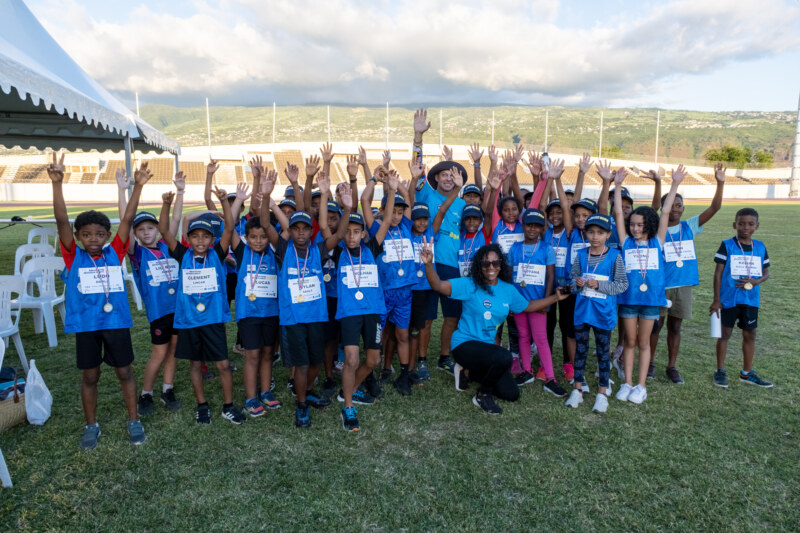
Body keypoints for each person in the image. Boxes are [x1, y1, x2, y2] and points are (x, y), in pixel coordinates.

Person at [48, 152, 148, 449]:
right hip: (86, 325)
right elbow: (61, 219)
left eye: (100, 234)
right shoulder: (72, 254)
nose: (94, 239)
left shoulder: (114, 252)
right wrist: (57, 184)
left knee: (125, 371)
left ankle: (134, 419)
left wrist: (138, 187)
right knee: (90, 376)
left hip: (115, 321)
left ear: (107, 236)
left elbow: (128, 219)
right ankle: (91, 425)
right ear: (78, 237)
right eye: (87, 234)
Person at [420, 241, 569, 414]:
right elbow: (438, 285)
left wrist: (556, 298)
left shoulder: (507, 289)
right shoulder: (470, 284)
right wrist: (429, 264)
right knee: (504, 356)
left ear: (501, 265)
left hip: (488, 351)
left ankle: (469, 373)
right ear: (479, 265)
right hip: (465, 344)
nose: (491, 267)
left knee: (511, 393)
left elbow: (527, 306)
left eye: (495, 262)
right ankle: (482, 395)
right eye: (485, 263)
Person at [159, 184, 246, 425]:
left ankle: (228, 406)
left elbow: (229, 228)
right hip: (188, 321)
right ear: (188, 239)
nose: (200, 240)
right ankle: (202, 405)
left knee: (224, 365)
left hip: (213, 320)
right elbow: (165, 232)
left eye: (205, 236)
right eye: (195, 236)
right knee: (195, 364)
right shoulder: (181, 254)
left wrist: (225, 203)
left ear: (211, 239)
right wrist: (166, 205)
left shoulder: (218, 254)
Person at [274, 170, 351, 428]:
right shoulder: (284, 250)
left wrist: (348, 208)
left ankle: (304, 392)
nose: (300, 234)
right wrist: (267, 199)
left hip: (317, 316)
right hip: (293, 318)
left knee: (316, 360)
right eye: (295, 229)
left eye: (305, 229)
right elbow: (265, 222)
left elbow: (338, 235)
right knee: (302, 363)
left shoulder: (319, 250)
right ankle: (302, 405)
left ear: (310, 231)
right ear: (290, 231)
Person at [611, 165, 684, 404]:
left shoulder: (657, 242)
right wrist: (618, 185)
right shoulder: (625, 242)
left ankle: (641, 386)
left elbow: (664, 214)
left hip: (651, 301)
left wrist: (674, 184)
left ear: (649, 225)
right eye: (632, 224)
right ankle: (627, 383)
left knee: (644, 343)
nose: (635, 228)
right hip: (629, 300)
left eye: (640, 225)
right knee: (629, 342)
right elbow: (618, 214)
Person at [649, 162, 726, 384]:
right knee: (656, 324)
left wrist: (720, 183)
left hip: (683, 285)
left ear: (683, 209)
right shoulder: (655, 229)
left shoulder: (690, 226)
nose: (676, 207)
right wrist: (660, 183)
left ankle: (672, 366)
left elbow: (715, 208)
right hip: (661, 285)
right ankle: (651, 362)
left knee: (676, 326)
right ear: (665, 207)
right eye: (672, 203)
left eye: (680, 205)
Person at [117, 167, 182, 415]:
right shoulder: (137, 253)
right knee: (159, 352)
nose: (146, 232)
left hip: (177, 308)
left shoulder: (167, 245)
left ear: (157, 229)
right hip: (158, 312)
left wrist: (180, 191)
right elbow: (125, 218)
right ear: (135, 234)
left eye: (150, 228)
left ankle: (168, 388)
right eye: (141, 229)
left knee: (173, 350)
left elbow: (174, 220)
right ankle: (146, 393)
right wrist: (123, 191)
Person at [324, 175, 388, 431]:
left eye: (356, 232)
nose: (351, 236)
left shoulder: (372, 247)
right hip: (350, 312)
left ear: (363, 234)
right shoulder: (338, 250)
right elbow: (332, 229)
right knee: (351, 360)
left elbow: (383, 224)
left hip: (372, 311)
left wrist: (391, 191)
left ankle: (350, 388)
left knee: (372, 360)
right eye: (347, 232)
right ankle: (348, 406)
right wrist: (347, 207)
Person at [411, 108, 469, 374]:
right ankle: (421, 359)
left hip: (453, 267)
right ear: (435, 178)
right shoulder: (425, 194)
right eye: (444, 174)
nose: (448, 177)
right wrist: (418, 137)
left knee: (452, 316)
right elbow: (415, 168)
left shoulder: (462, 203)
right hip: (426, 263)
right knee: (425, 318)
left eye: (454, 175)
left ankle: (444, 356)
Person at [227, 170, 283, 417]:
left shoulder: (276, 251)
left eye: (262, 237)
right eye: (253, 237)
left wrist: (268, 196)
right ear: (246, 237)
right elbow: (229, 228)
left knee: (268, 353)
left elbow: (271, 228)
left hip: (271, 311)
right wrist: (238, 201)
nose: (258, 241)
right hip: (249, 312)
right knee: (252, 355)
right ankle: (251, 397)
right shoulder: (241, 252)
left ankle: (265, 391)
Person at [566, 214, 628, 412]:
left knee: (603, 353)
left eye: (600, 233)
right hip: (583, 312)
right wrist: (576, 283)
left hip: (603, 314)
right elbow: (572, 278)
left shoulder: (614, 256)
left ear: (608, 234)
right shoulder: (581, 255)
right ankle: (577, 389)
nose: (595, 237)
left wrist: (600, 285)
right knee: (581, 351)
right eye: (591, 232)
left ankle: (602, 393)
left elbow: (622, 284)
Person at [362, 167, 416, 395]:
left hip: (404, 294)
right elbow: (364, 202)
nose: (396, 216)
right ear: (382, 211)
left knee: (402, 335)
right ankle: (369, 376)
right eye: (392, 211)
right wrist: (376, 181)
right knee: (376, 337)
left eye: (400, 212)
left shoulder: (406, 226)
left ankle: (404, 375)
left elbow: (409, 203)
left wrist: (398, 186)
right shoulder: (377, 228)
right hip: (382, 295)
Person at [508, 208, 568, 397]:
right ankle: (527, 371)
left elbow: (551, 276)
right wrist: (510, 300)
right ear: (523, 226)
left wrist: (546, 302)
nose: (532, 229)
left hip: (538, 302)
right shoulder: (515, 248)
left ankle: (550, 378)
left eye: (537, 226)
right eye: (529, 225)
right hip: (519, 301)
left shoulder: (546, 248)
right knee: (523, 336)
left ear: (542, 228)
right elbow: (509, 275)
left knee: (540, 339)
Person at [710, 208, 772, 388]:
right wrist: (716, 300)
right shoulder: (727, 245)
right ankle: (720, 371)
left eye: (750, 224)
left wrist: (756, 280)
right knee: (725, 334)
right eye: (741, 223)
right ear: (734, 224)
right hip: (729, 298)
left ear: (757, 226)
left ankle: (747, 373)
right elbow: (718, 274)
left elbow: (766, 272)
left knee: (750, 334)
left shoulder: (759, 247)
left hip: (751, 299)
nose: (745, 227)